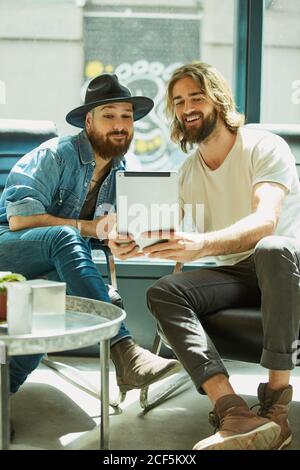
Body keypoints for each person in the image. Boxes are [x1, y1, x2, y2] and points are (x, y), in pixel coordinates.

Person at [109, 62, 300, 450]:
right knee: (164, 290)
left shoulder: (264, 145)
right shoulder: (187, 173)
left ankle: (276, 412)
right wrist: (126, 241)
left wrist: (202, 244)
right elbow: (164, 234)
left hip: (284, 265)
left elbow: (266, 221)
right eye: (178, 101)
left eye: (196, 96)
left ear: (218, 99)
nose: (186, 107)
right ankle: (232, 411)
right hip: (235, 274)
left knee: (271, 247)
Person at [0, 73, 179, 401]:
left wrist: (119, 239)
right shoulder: (54, 155)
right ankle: (126, 351)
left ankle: (3, 391)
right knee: (65, 237)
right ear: (88, 120)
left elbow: (103, 230)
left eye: (127, 116)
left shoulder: (119, 170)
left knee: (51, 295)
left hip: (55, 261)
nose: (120, 125)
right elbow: (20, 219)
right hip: (8, 247)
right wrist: (88, 229)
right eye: (109, 116)